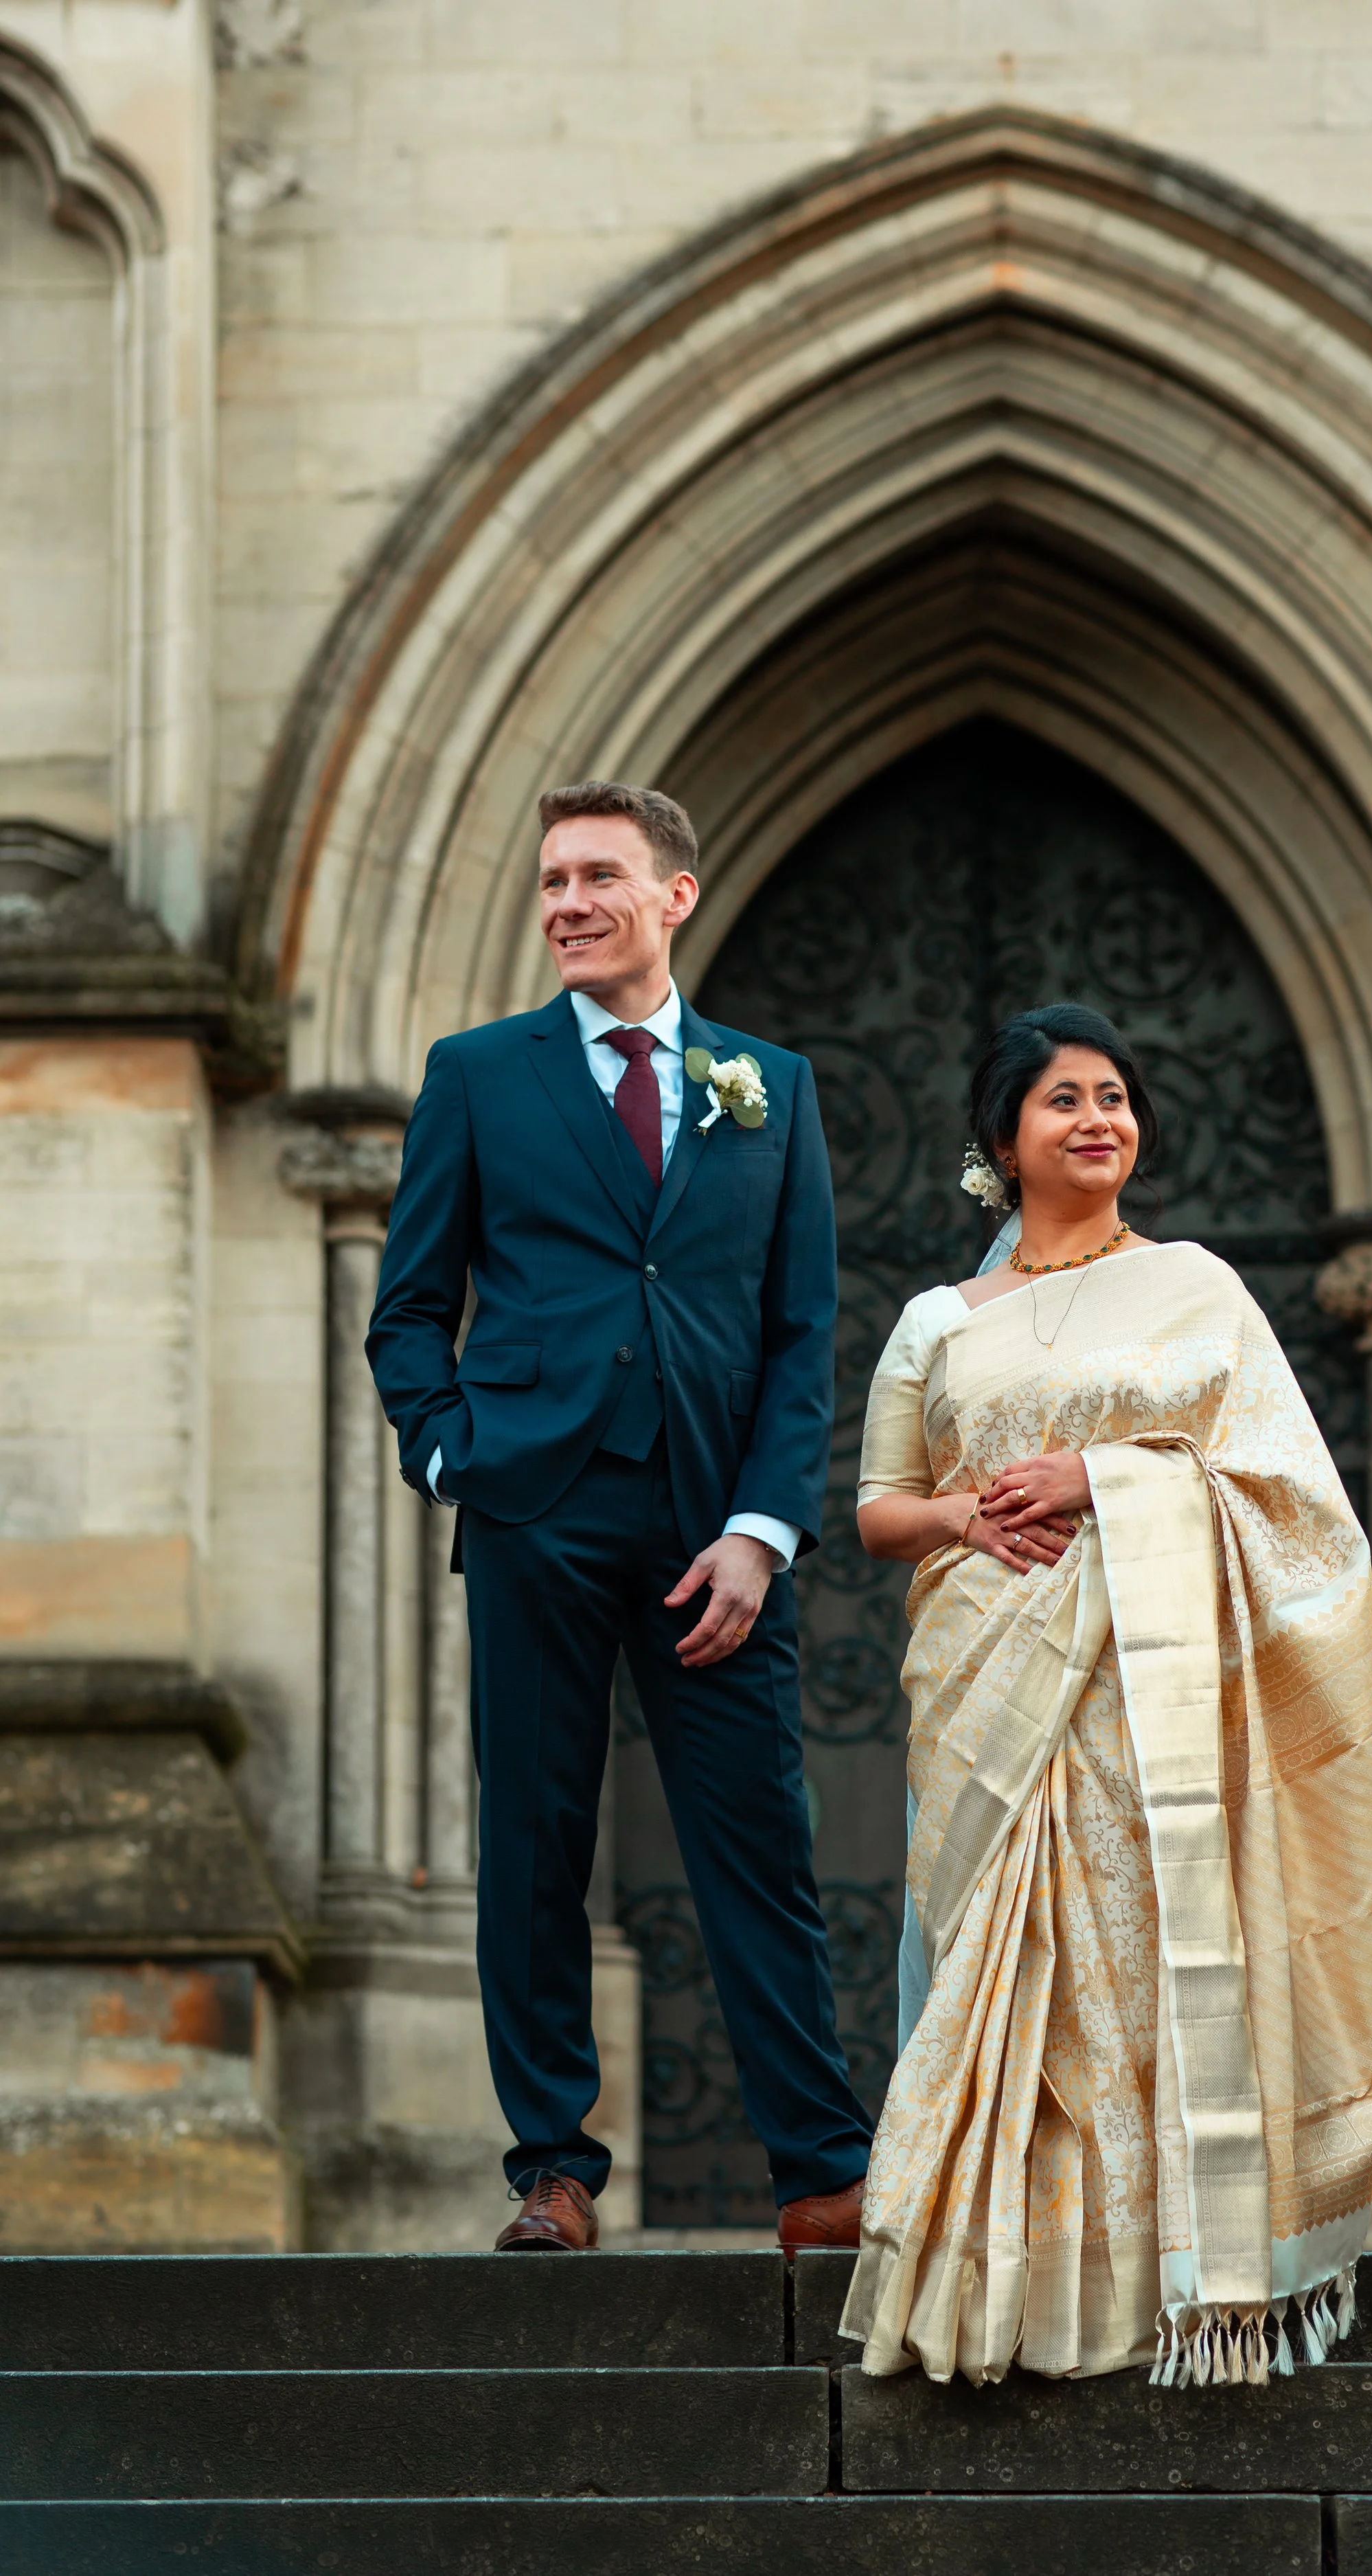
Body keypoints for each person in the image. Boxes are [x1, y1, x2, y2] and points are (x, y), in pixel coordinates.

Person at [841, 1003, 1372, 2386]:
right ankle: (990, 2297)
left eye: (1115, 1097)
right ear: (1002, 1139)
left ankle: (1162, 2285)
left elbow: (1296, 1503)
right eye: (1063, 1100)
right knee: (998, 1971)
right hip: (985, 1684)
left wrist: (1106, 1476)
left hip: (1152, 1702)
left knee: (1142, 1978)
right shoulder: (935, 1324)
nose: (1098, 1119)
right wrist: (971, 1521)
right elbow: (875, 1510)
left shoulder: (1198, 1289)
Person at [366, 778, 872, 2252]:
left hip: (713, 1526)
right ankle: (553, 2173)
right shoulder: (478, 1074)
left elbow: (800, 1331)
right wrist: (449, 1458)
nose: (567, 904)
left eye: (596, 876)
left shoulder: (767, 1084)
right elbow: (407, 1308)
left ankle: (818, 2174)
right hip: (534, 1507)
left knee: (758, 1843)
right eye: (550, 883)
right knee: (531, 1839)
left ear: (674, 895)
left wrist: (764, 1529)